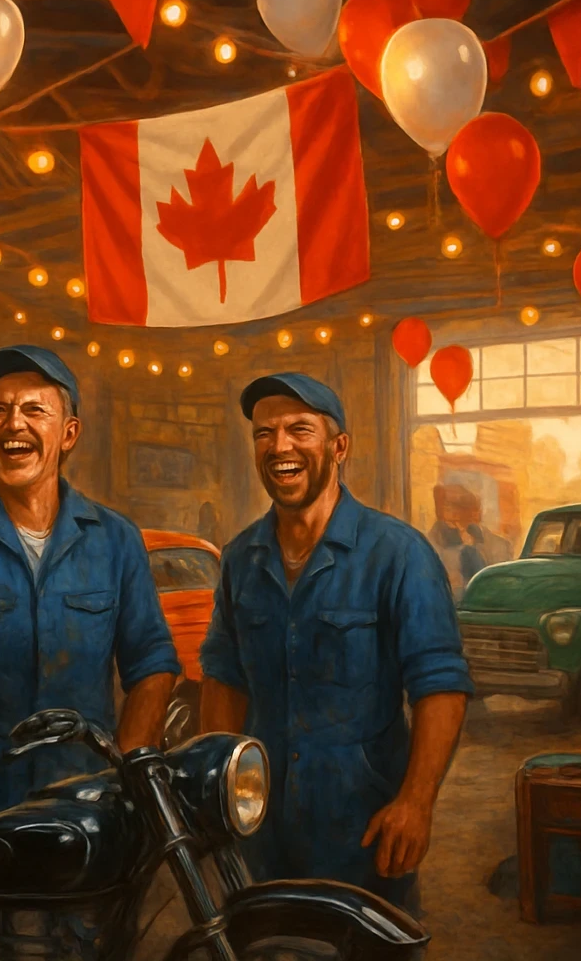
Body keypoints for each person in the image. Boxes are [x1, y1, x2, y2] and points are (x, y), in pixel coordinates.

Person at [198, 372, 472, 911]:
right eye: (264, 433)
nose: (280, 447)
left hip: (363, 834)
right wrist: (217, 791)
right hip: (259, 836)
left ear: (338, 447)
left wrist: (416, 803)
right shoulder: (240, 558)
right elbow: (224, 678)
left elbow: (440, 686)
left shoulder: (398, 554)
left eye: (299, 430)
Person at [0, 345, 181, 852]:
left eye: (33, 410)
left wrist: (128, 764)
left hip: (87, 809)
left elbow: (153, 662)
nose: (13, 424)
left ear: (68, 434)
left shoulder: (116, 539)